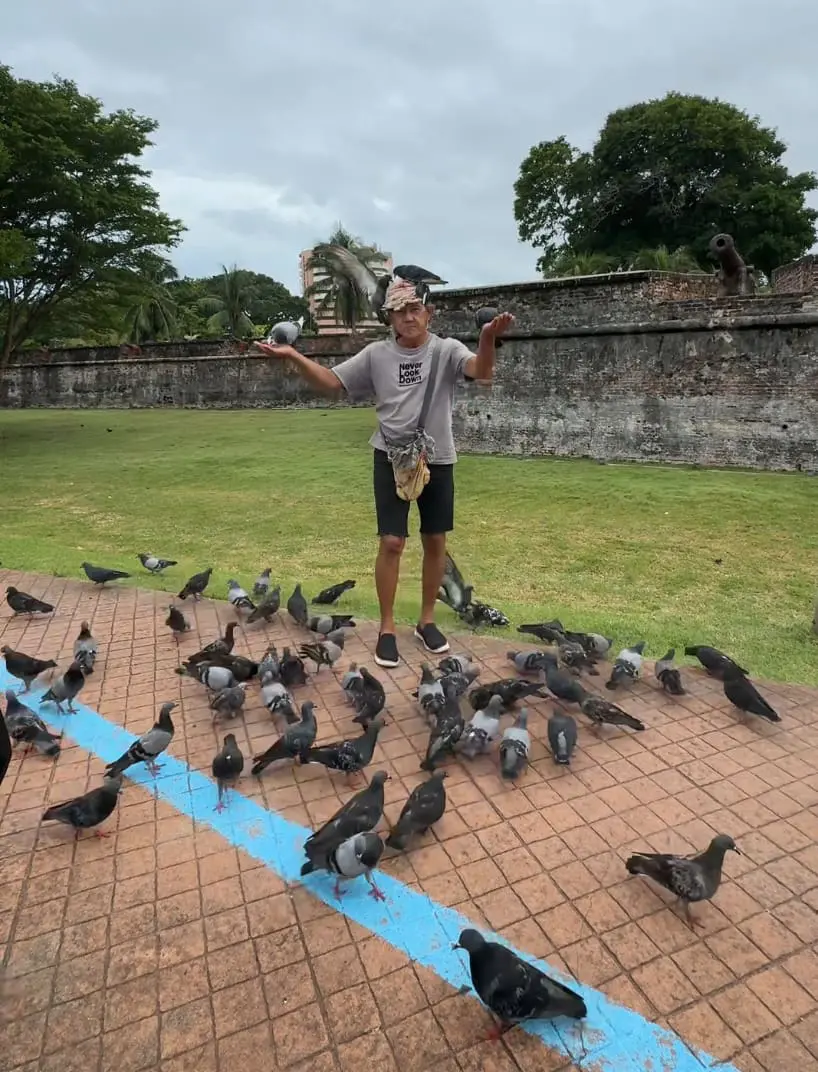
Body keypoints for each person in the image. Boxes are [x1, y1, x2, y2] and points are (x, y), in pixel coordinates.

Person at [253, 277, 513, 668]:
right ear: (388, 317)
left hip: (437, 458)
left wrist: (489, 338)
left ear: (429, 312)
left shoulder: (446, 350)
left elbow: (482, 370)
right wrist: (292, 356)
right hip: (390, 457)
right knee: (391, 542)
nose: (408, 318)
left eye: (415, 309)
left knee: (435, 542)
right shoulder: (376, 355)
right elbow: (332, 383)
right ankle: (387, 627)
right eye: (399, 311)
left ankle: (426, 620)